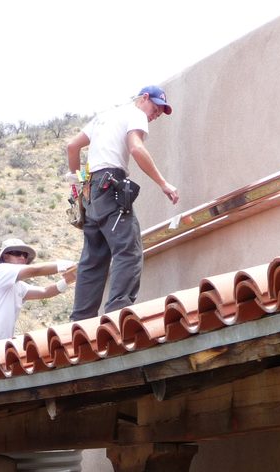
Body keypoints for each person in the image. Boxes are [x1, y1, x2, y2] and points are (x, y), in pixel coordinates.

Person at [65, 85, 179, 321]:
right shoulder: (135, 113)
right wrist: (163, 183)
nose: (155, 114)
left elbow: (72, 146)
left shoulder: (104, 116)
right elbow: (136, 148)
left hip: (91, 192)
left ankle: (80, 322)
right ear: (144, 98)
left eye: (159, 112)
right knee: (129, 250)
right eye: (155, 107)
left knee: (93, 258)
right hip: (110, 185)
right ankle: (118, 314)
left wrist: (77, 185)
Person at [0, 237, 76, 346]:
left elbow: (45, 292)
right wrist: (68, 265)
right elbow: (35, 270)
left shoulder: (18, 286)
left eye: (25, 255)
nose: (22, 257)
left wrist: (67, 281)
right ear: (6, 257)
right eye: (17, 253)